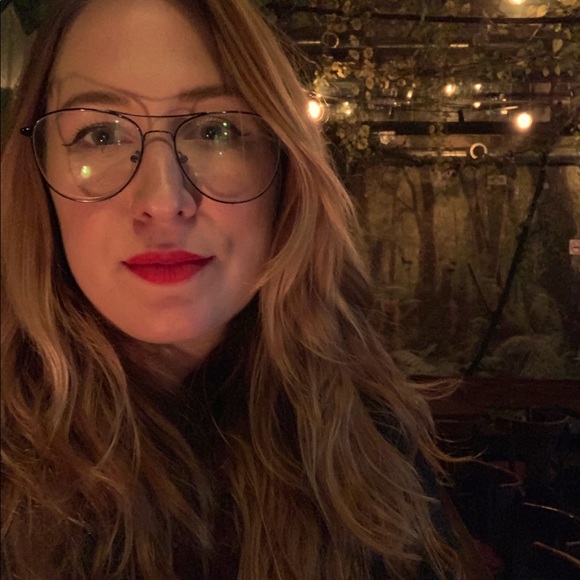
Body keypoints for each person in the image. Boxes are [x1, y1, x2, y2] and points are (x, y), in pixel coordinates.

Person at [0, 0, 463, 578]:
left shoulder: (372, 440)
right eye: (100, 133)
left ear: (286, 170)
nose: (163, 201)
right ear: (38, 176)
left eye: (215, 130)